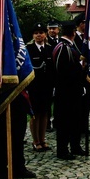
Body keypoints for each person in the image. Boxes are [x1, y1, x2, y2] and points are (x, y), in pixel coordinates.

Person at [53, 20, 88, 159]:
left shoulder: (68, 46)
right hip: (67, 91)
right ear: (73, 32)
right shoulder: (63, 48)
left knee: (75, 120)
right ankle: (63, 149)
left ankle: (75, 146)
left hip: (73, 90)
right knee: (65, 121)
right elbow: (64, 71)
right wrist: (81, 68)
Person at [27, 22, 54, 152]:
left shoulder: (49, 48)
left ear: (45, 34)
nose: (39, 35)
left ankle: (42, 139)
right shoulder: (29, 49)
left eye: (41, 33)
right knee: (35, 114)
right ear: (33, 35)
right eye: (36, 33)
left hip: (46, 86)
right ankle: (35, 140)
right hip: (34, 87)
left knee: (45, 113)